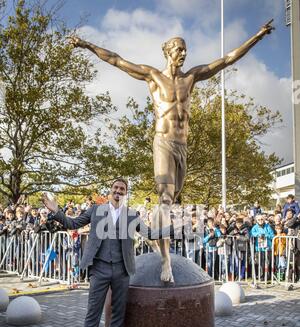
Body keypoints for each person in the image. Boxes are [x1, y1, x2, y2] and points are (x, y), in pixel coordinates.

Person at [69, 19, 274, 284]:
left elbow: (227, 60)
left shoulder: (192, 78)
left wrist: (257, 36)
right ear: (167, 51)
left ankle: (154, 236)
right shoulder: (152, 76)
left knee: (171, 199)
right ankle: (166, 261)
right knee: (165, 198)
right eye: (178, 49)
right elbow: (117, 60)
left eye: (185, 49)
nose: (183, 53)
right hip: (163, 141)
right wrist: (86, 44)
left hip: (182, 147)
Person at [42, 178, 176, 327]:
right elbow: (72, 223)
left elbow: (150, 233)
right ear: (110, 191)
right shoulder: (96, 210)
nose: (118, 191)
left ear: (126, 193)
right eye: (116, 188)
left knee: (118, 311)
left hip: (122, 270)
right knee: (92, 313)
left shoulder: (131, 216)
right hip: (100, 269)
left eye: (122, 189)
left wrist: (174, 228)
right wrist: (55, 210)